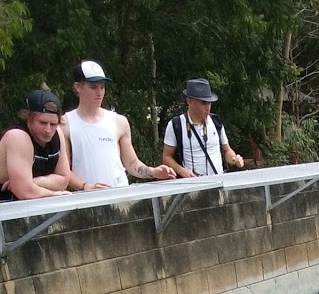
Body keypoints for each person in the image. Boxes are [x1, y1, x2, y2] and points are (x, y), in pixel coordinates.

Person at [61, 60, 175, 191]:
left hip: (119, 195)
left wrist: (154, 172)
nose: (99, 93)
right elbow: (63, 170)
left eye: (102, 87)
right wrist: (85, 186)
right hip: (86, 201)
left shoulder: (119, 121)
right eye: (93, 87)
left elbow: (132, 163)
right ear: (77, 87)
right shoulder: (65, 124)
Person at [161, 78, 244, 178]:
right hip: (192, 188)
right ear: (189, 101)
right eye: (203, 103)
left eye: (209, 103)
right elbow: (166, 157)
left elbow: (227, 149)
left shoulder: (216, 121)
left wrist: (234, 159)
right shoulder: (176, 125)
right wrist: (182, 171)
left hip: (218, 184)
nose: (208, 107)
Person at [0, 90, 71, 201]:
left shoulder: (58, 134)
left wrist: (33, 181)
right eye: (42, 123)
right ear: (28, 118)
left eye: (53, 124)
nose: (48, 130)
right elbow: (24, 191)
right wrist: (54, 195)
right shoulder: (18, 137)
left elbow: (63, 180)